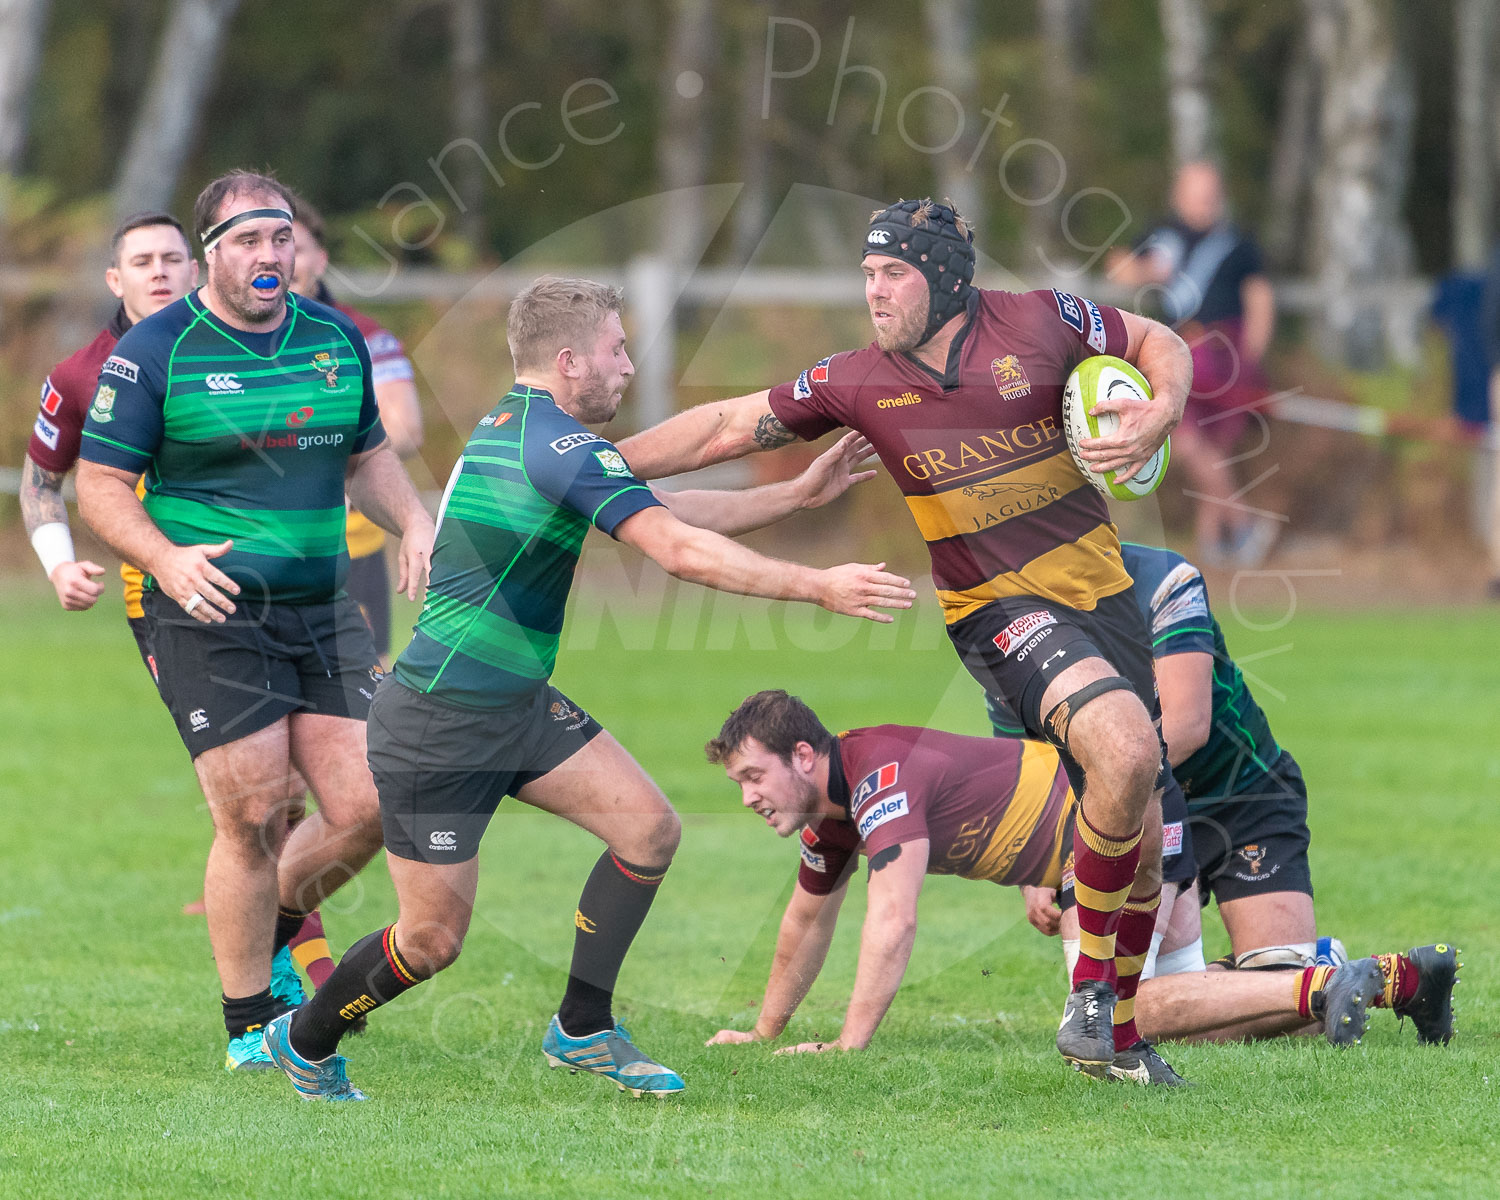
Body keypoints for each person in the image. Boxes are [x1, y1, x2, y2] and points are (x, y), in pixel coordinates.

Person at [262, 276, 915, 1102]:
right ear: (569, 361)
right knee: (430, 941)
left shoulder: (528, 429)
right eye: (615, 350)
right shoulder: (553, 446)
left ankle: (581, 1027)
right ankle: (307, 1039)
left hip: (516, 706)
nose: (629, 366)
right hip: (439, 722)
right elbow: (675, 550)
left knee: (647, 830)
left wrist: (792, 493)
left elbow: (661, 506)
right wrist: (816, 586)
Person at [617, 197, 1193, 1078]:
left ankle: (1111, 1035)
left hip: (1103, 598)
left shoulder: (1041, 321)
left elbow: (1160, 342)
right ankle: (1091, 1001)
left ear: (948, 278)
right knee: (1124, 749)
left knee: (1144, 829)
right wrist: (594, 461)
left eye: (894, 274)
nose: (875, 293)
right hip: (997, 611)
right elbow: (727, 423)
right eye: (867, 275)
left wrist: (1160, 412)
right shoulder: (857, 379)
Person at [75, 170, 436, 1072]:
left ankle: (269, 928)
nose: (268, 256)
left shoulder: (334, 338)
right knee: (256, 811)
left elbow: (371, 456)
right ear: (212, 253)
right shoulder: (155, 350)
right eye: (247, 240)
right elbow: (99, 487)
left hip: (324, 607)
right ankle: (249, 1024)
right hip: (208, 610)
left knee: (370, 805)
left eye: (279, 238)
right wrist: (164, 558)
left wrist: (419, 521)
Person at [700, 689, 1394, 1085]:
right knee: (1180, 1029)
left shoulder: (879, 773)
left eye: (752, 778)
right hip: (1094, 838)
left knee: (1121, 1022)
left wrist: (850, 1047)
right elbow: (805, 922)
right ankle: (1382, 978)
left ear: (801, 756)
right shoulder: (835, 808)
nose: (748, 798)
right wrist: (764, 1032)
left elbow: (894, 918)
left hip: (1113, 829)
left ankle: (1318, 983)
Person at [19, 209, 339, 981]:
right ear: (115, 279)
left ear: (195, 268)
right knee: (257, 792)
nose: (159, 271)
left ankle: (290, 956)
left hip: (291, 595)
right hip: (164, 602)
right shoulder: (83, 374)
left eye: (171, 257)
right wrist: (61, 563)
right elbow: (42, 483)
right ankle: (292, 974)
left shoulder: (253, 348)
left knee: (295, 791)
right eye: (141, 260)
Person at [1005, 542, 1459, 1045]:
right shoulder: (1005, 613)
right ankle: (1346, 976)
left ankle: (1316, 973)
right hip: (1130, 807)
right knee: (1107, 1010)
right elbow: (1030, 761)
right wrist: (1035, 863)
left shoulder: (1162, 578)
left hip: (1242, 795)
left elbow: (1189, 723)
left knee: (1285, 1027)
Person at [1108, 161, 1277, 566]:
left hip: (1221, 354)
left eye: (1212, 193)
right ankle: (1242, 526)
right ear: (1179, 195)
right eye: (1198, 193)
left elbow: (1260, 301)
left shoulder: (1237, 242)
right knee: (1188, 441)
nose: (1206, 201)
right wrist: (1147, 271)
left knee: (1212, 447)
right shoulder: (1160, 236)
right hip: (1177, 351)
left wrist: (1249, 361)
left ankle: (1214, 545)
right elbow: (1117, 266)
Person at [289, 195, 425, 663]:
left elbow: (404, 428)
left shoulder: (364, 336)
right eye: (271, 244)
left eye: (296, 246)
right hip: (254, 547)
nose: (284, 259)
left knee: (366, 692)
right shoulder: (223, 342)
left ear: (320, 259)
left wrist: (324, 453)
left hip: (349, 544)